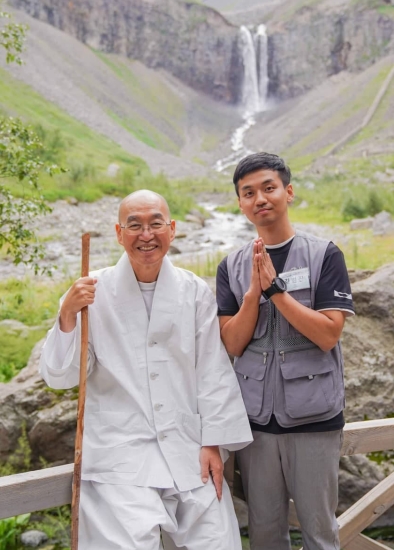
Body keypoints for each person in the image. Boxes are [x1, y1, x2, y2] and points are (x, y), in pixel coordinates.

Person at [39, 189, 253, 550]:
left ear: (171, 229)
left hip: (187, 447)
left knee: (218, 540)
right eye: (134, 225)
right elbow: (61, 377)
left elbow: (212, 371)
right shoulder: (90, 293)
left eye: (156, 224)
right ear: (119, 233)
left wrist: (213, 441)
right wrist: (67, 316)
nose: (146, 235)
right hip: (120, 452)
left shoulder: (194, 292)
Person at [216, 152, 354, 550]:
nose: (260, 198)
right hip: (256, 424)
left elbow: (329, 334)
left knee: (320, 534)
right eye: (248, 192)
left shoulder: (325, 254)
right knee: (264, 533)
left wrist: (276, 292)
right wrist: (252, 296)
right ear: (241, 204)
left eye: (268, 188)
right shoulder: (231, 265)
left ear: (288, 192)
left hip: (314, 419)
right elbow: (232, 344)